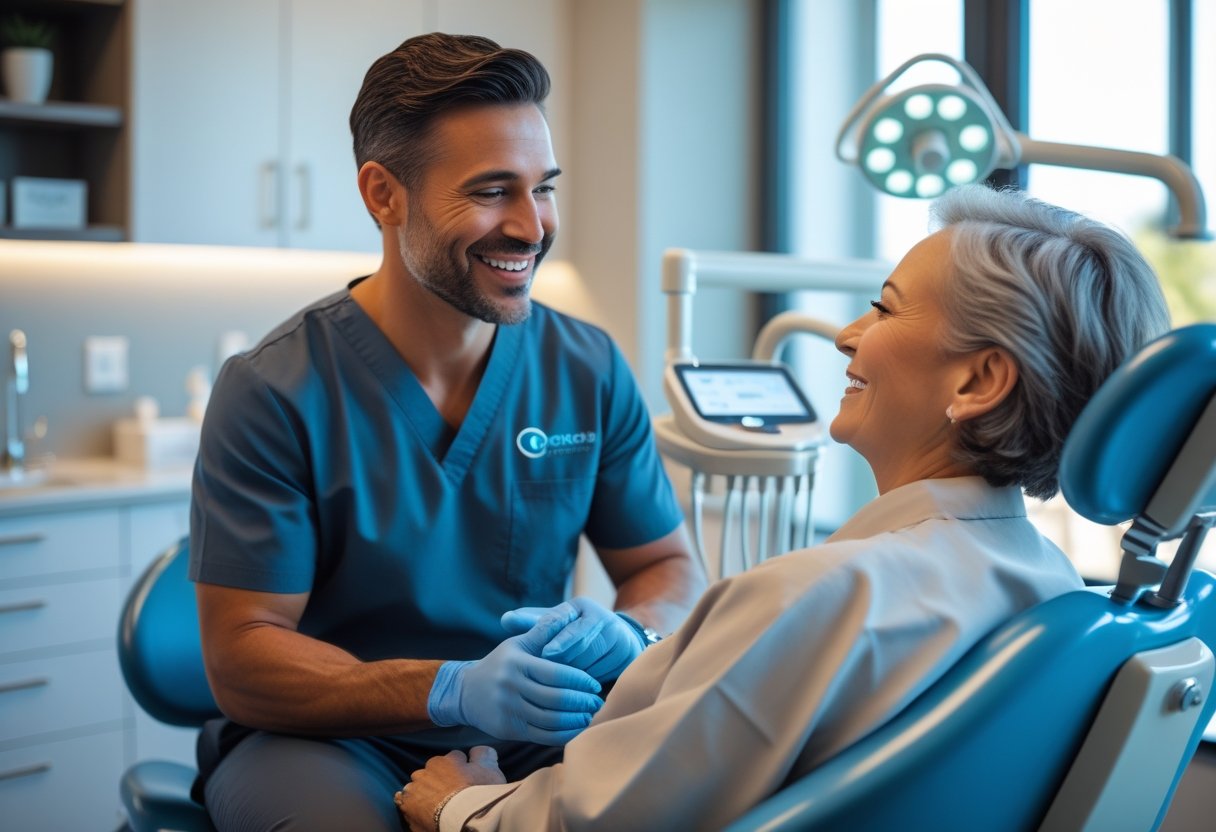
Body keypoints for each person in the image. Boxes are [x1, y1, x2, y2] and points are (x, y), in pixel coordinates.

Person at [395, 184, 1173, 832]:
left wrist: (462, 806)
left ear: (977, 383)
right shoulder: (1056, 593)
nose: (846, 335)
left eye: (885, 308)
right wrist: (660, 654)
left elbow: (602, 818)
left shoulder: (824, 594)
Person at [189, 32, 705, 831]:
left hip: (538, 728)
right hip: (330, 741)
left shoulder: (586, 366)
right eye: (494, 191)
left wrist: (630, 632)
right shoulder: (274, 390)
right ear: (384, 195)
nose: (532, 227)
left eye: (544, 188)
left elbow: (667, 566)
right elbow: (243, 655)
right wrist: (449, 688)